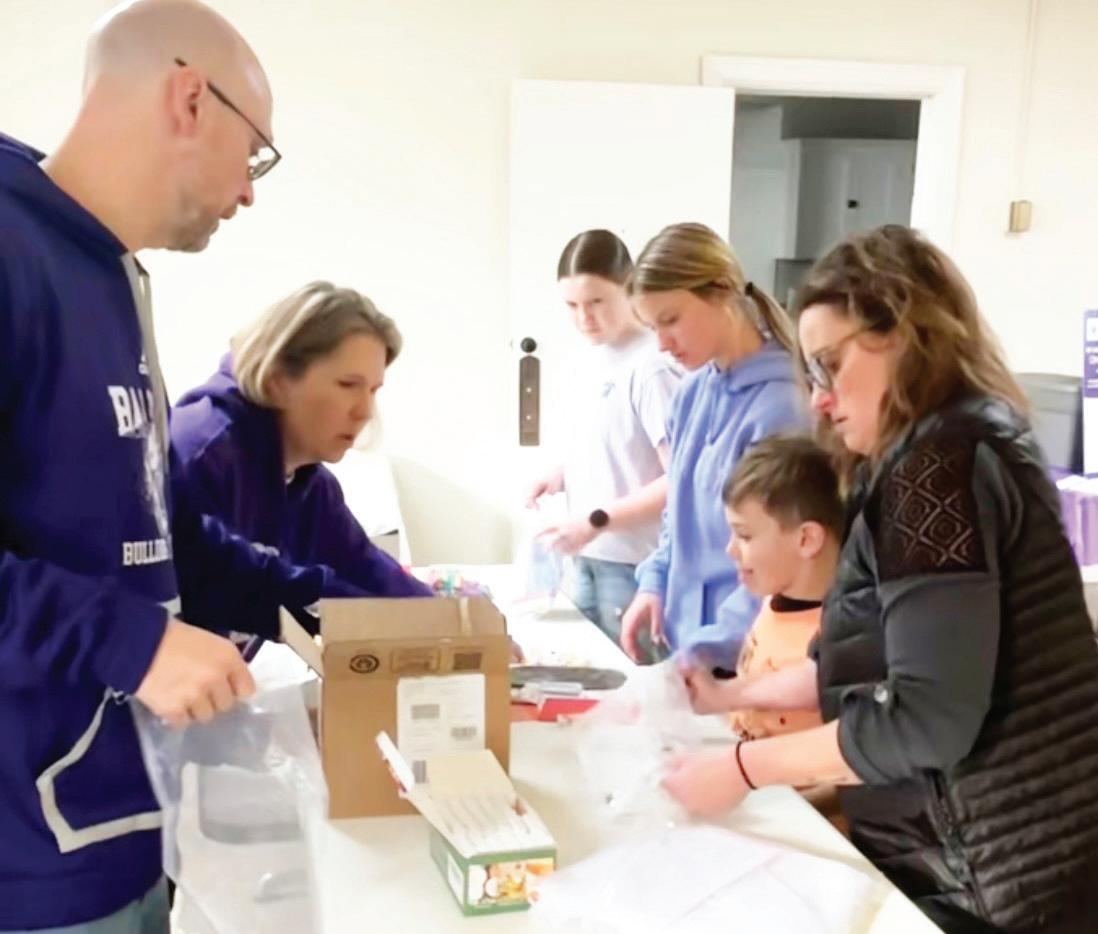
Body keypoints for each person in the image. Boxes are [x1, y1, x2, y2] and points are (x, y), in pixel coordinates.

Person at [0, 2, 363, 930]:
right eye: (256, 154)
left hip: (126, 827)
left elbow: (154, 534)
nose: (248, 192)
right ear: (191, 98)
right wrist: (134, 643)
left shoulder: (117, 277)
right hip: (26, 860)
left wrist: (319, 603)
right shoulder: (12, 250)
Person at [663, 225, 1098, 933]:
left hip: (999, 876)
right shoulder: (946, 449)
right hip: (1006, 858)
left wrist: (744, 768)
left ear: (902, 333)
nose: (820, 399)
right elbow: (872, 665)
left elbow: (926, 717)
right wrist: (732, 696)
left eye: (831, 365)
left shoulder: (938, 470)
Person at [172, 281, 433, 618]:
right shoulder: (202, 452)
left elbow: (366, 570)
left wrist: (451, 620)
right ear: (277, 379)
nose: (365, 412)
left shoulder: (310, 483)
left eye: (373, 390)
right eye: (348, 385)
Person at [620, 222, 805, 667]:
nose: (662, 344)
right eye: (652, 327)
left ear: (721, 291)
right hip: (689, 644)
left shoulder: (783, 408)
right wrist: (655, 581)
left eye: (670, 321)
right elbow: (677, 511)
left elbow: (779, 561)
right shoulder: (690, 394)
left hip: (747, 650)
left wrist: (701, 655)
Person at [526, 230, 679, 645]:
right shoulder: (586, 360)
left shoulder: (653, 366)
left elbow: (680, 479)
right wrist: (560, 474)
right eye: (572, 305)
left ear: (628, 287)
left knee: (635, 677)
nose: (584, 318)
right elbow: (612, 444)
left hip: (635, 564)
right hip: (585, 556)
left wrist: (596, 521)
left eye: (596, 302)